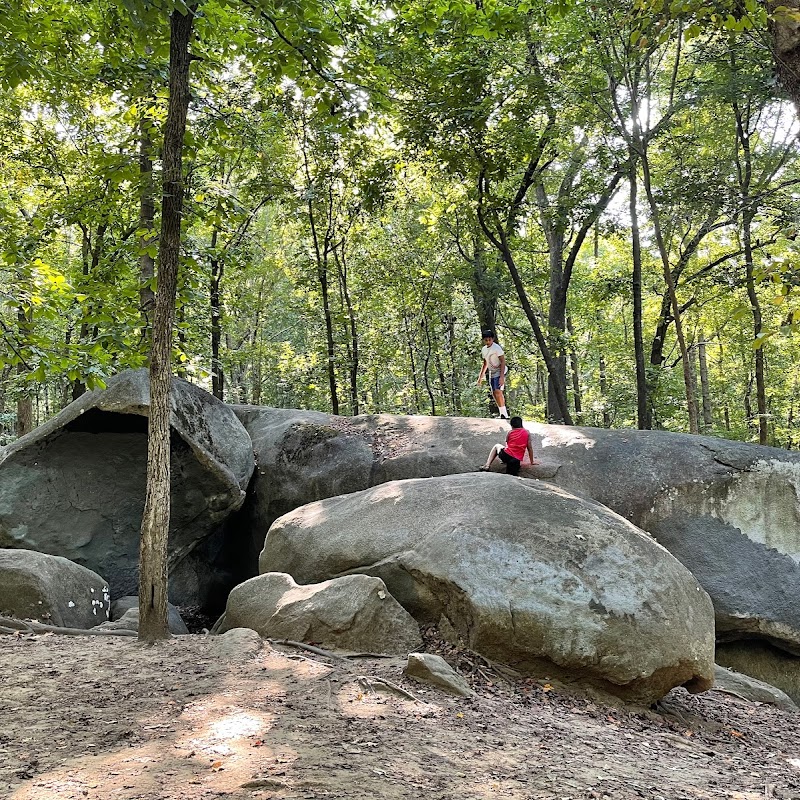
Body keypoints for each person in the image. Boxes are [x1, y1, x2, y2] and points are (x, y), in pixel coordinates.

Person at [477, 329, 508, 419]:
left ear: (493, 339)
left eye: (490, 339)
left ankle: (504, 414)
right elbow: (485, 363)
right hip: (492, 372)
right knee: (494, 393)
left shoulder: (496, 348)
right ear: (483, 340)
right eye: (486, 340)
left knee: (498, 391)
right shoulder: (484, 350)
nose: (488, 342)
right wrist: (480, 377)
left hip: (500, 370)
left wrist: (502, 377)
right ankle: (501, 412)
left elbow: (502, 361)